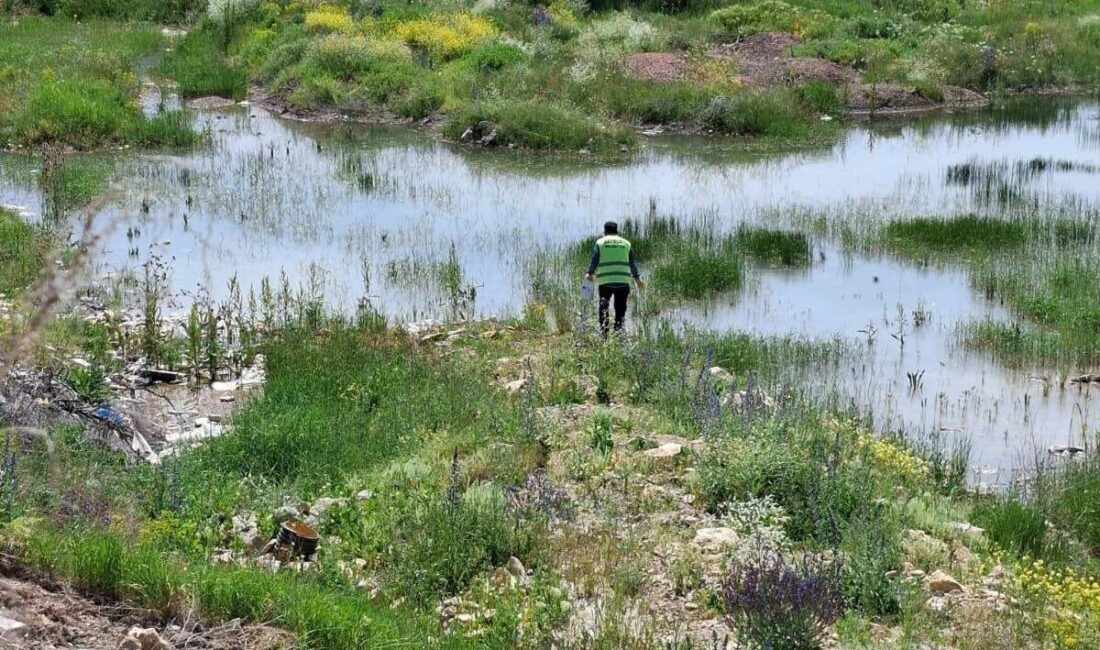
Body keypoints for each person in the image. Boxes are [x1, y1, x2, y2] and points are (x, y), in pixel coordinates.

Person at [585, 221, 644, 336]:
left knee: (603, 308)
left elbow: (594, 259)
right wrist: (637, 279)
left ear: (605, 231)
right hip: (623, 281)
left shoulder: (600, 243)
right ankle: (618, 334)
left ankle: (605, 335)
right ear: (617, 231)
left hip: (606, 282)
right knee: (620, 310)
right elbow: (632, 263)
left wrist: (590, 273)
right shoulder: (626, 243)